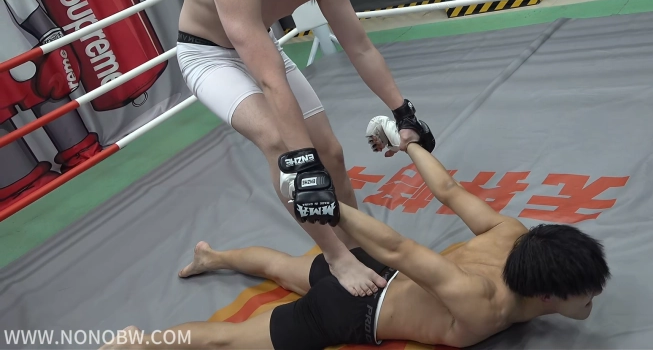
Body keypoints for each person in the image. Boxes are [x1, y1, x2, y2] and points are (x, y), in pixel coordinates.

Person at [100, 116, 610, 350]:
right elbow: (402, 248)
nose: (593, 299)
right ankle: (141, 344)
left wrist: (406, 142)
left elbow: (449, 190)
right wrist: (332, 209)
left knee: (282, 266)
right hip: (355, 310)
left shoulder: (513, 233)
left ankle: (213, 257)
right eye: (586, 294)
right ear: (547, 295)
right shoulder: (485, 304)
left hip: (372, 269)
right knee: (226, 340)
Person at [173, 0, 435, 297]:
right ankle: (337, 256)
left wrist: (403, 112)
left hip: (259, 45)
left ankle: (358, 242)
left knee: (330, 152)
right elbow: (270, 80)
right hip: (209, 56)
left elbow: (361, 47)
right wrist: (302, 161)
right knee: (282, 147)